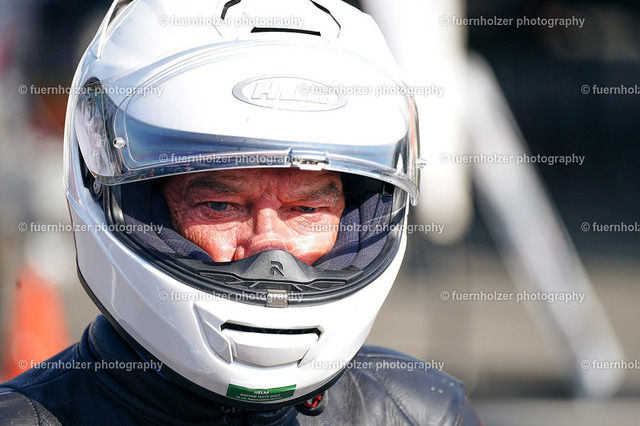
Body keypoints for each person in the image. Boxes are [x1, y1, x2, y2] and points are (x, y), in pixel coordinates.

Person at [0, 0, 482, 424]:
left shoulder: (421, 414)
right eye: (221, 205)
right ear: (139, 207)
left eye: (306, 207)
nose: (270, 244)